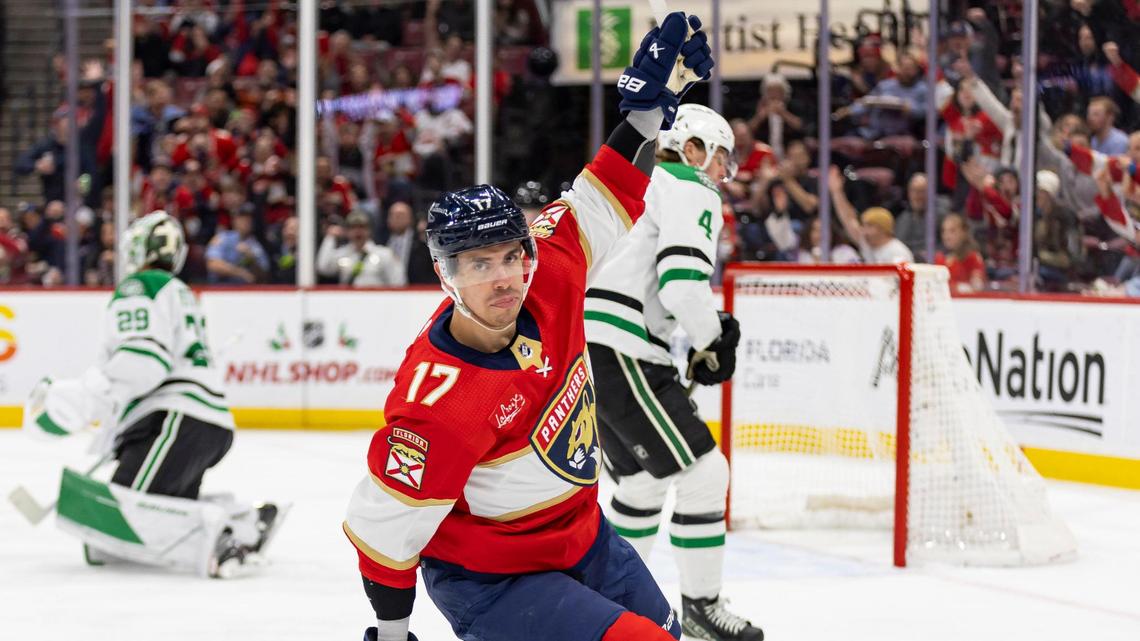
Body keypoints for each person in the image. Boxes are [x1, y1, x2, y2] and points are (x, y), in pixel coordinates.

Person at [343, 12, 714, 641]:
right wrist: (391, 630)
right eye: (479, 264)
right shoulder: (439, 401)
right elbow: (386, 526)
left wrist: (652, 110)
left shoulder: (550, 268)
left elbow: (601, 192)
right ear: (443, 274)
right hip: (494, 580)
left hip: (584, 539)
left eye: (512, 255)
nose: (505, 277)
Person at [584, 103, 762, 641]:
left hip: (589, 346)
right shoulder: (687, 185)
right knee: (706, 475)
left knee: (640, 484)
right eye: (719, 160)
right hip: (623, 347)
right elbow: (682, 283)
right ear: (692, 148)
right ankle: (702, 610)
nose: (720, 176)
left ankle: (602, 605)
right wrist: (712, 340)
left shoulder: (637, 183)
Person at [22, 211, 283, 577]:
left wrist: (87, 395)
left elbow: (143, 361)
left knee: (113, 530)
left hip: (174, 420)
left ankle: (228, 537)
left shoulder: (140, 286)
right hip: (200, 422)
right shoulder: (177, 291)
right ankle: (244, 517)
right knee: (139, 523)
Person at [830, 167, 914, 264]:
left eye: (868, 225)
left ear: (882, 228)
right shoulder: (868, 245)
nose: (863, 230)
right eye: (864, 225)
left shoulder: (898, 252)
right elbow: (848, 219)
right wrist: (837, 191)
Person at [318, 209, 406, 286]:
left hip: (376, 302)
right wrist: (330, 238)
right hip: (349, 302)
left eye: (362, 227)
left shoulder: (384, 254)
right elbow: (323, 267)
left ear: (370, 230)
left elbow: (398, 282)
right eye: (353, 228)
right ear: (347, 231)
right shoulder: (343, 254)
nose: (358, 232)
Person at [934, 213, 986, 292]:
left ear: (963, 232)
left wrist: (963, 288)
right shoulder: (939, 258)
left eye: (952, 231)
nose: (947, 236)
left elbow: (977, 287)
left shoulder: (973, 257)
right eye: (944, 231)